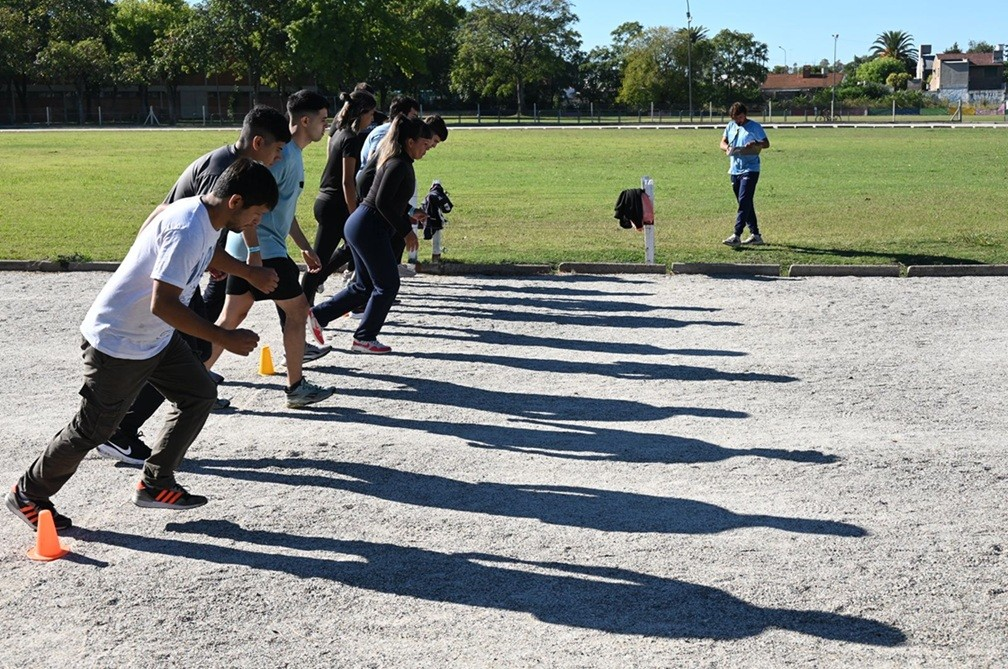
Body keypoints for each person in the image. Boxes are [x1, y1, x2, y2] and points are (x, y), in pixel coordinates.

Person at [5, 158, 278, 531]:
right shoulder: (187, 227)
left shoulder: (204, 216)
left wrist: (247, 271)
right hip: (118, 342)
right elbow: (162, 303)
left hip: (154, 337)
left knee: (199, 394)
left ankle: (156, 483)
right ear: (235, 201)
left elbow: (207, 252)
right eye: (256, 214)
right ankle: (28, 493)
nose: (255, 223)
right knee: (92, 430)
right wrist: (223, 337)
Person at [98, 105, 291, 466]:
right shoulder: (221, 172)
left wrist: (241, 260)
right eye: (278, 149)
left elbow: (219, 228)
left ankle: (127, 424)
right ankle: (120, 430)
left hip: (181, 267)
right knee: (186, 352)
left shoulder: (239, 171)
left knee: (194, 352)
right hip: (164, 272)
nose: (279, 157)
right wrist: (243, 274)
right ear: (258, 142)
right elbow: (191, 228)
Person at [206, 90, 336, 409]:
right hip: (261, 249)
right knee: (297, 310)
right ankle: (296, 388)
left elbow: (279, 209)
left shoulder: (291, 155)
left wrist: (304, 246)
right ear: (304, 121)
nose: (326, 125)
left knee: (231, 317)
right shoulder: (283, 156)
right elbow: (251, 203)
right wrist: (254, 252)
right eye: (322, 119)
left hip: (252, 247)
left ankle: (193, 382)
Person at [311, 115, 430, 354]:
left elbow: (391, 201)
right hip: (368, 227)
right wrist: (406, 231)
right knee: (388, 285)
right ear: (410, 142)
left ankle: (318, 315)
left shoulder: (398, 161)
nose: (427, 150)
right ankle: (364, 338)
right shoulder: (398, 163)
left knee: (364, 286)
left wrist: (409, 213)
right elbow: (382, 202)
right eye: (425, 144)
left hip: (361, 225)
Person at [302, 88, 377, 304]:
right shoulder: (350, 139)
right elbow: (347, 181)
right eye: (371, 114)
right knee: (318, 262)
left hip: (330, 202)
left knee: (354, 247)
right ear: (361, 113)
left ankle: (321, 289)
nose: (372, 119)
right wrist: (355, 215)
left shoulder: (339, 133)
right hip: (334, 205)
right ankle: (304, 306)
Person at [719, 102, 770, 246]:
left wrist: (755, 144)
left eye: (740, 117)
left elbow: (766, 143)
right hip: (735, 169)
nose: (738, 121)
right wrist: (727, 148)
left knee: (744, 201)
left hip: (751, 169)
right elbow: (722, 142)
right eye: (735, 118)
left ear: (745, 114)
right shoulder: (731, 126)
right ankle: (756, 235)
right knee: (745, 203)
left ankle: (736, 235)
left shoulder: (754, 127)